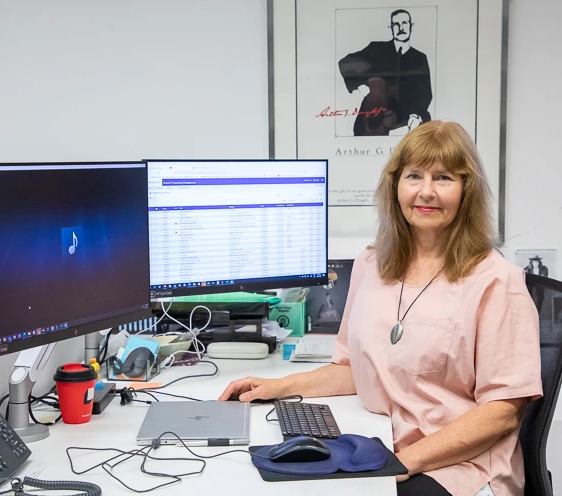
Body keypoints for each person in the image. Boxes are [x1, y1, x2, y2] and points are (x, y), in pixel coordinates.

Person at [219, 121, 542, 496]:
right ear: (395, 185)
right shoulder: (371, 264)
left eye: (444, 178)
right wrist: (276, 386)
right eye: (414, 176)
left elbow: (503, 411)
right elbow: (356, 371)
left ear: (466, 189)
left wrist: (404, 463)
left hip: (458, 465)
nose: (426, 191)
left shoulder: (496, 281)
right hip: (380, 443)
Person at [338, 9, 432, 136]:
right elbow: (346, 63)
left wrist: (414, 116)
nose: (401, 28)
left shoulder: (420, 57)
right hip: (373, 122)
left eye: (404, 23)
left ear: (411, 26)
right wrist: (361, 86)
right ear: (391, 28)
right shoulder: (377, 49)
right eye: (396, 25)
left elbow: (426, 93)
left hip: (406, 121)